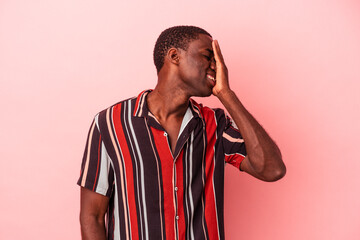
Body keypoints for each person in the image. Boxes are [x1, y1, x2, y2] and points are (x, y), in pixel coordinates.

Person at [77, 25, 286, 240]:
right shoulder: (109, 123)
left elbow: (272, 170)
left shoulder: (216, 124)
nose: (217, 67)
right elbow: (92, 216)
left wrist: (226, 94)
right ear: (174, 56)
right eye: (208, 57)